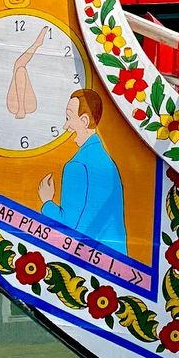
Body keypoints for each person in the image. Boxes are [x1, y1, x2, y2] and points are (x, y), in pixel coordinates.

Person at [34, 88, 127, 255]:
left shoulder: (76, 166)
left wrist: (46, 202)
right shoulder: (106, 161)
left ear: (84, 121)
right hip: (115, 259)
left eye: (68, 118)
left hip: (90, 261)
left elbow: (68, 225)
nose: (66, 126)